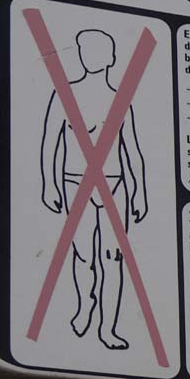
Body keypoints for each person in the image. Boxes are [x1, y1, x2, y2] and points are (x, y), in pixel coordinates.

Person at [39, 29, 148, 350]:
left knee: (113, 258)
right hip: (76, 183)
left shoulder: (120, 100)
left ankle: (108, 328)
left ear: (110, 58)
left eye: (98, 50)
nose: (91, 56)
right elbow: (50, 142)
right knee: (84, 255)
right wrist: (49, 184)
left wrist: (139, 192)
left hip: (116, 186)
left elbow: (132, 150)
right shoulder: (64, 94)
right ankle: (86, 304)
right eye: (85, 49)